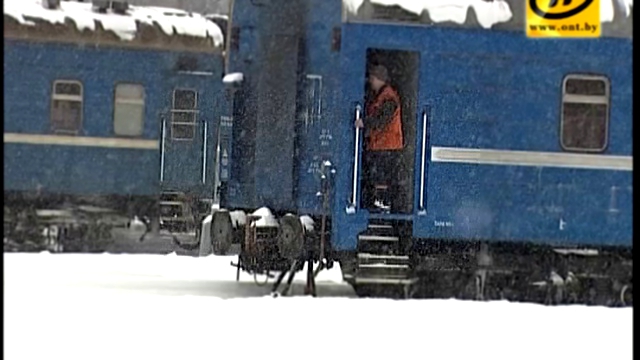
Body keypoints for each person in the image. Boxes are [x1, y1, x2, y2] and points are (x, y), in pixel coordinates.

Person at [355, 65, 403, 212]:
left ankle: (381, 202)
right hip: (382, 145)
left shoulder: (388, 97)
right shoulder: (383, 96)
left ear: (378, 79)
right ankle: (379, 202)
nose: (370, 81)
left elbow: (382, 119)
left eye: (372, 78)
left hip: (387, 146)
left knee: (381, 177)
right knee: (378, 176)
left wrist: (365, 123)